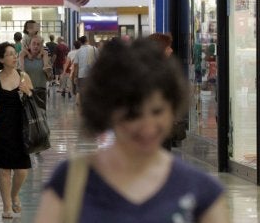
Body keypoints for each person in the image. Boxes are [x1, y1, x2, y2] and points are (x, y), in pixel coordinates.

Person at [34, 38, 229, 223]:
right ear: (108, 111)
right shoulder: (71, 182)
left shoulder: (201, 192)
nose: (147, 126)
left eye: (157, 111)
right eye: (132, 115)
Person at [0, 42, 33, 219]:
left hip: (21, 127)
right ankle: (6, 205)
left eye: (15, 54)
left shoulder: (23, 76)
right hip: (2, 127)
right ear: (1, 59)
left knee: (22, 170)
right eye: (11, 54)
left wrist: (27, 92)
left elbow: (34, 101)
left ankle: (14, 194)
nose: (15, 57)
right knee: (4, 169)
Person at [19, 35, 52, 110]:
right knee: (28, 118)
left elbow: (50, 78)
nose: (36, 46)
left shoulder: (44, 58)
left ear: (41, 46)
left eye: (38, 44)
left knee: (41, 117)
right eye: (33, 44)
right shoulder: (23, 58)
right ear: (29, 45)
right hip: (26, 92)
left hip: (41, 93)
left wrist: (48, 72)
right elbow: (19, 76)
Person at [71, 35, 97, 107]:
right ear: (87, 40)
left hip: (81, 74)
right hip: (92, 74)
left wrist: (75, 76)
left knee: (80, 90)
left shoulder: (78, 51)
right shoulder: (94, 49)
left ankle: (81, 105)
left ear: (80, 42)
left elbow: (76, 65)